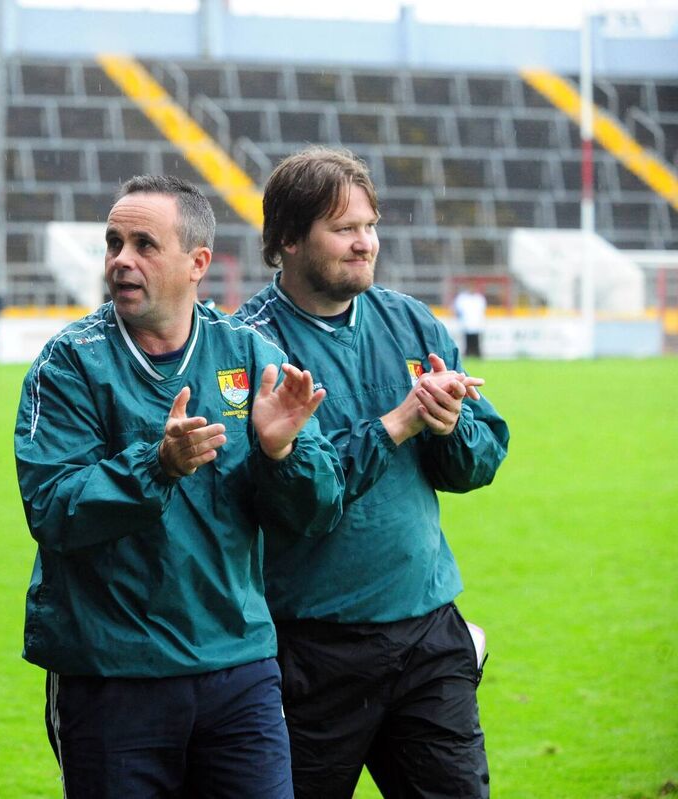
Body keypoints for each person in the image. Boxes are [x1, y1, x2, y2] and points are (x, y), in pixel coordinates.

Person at [14, 175, 345, 798]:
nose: (121, 260)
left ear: (197, 264)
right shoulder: (70, 363)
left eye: (144, 244)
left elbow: (318, 510)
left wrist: (282, 452)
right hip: (115, 672)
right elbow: (52, 508)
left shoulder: (250, 354)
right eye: (114, 243)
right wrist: (156, 466)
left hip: (237, 667)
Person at [235, 146, 510, 799]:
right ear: (289, 240)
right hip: (307, 646)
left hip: (426, 630)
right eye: (345, 228)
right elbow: (305, 502)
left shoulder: (412, 321)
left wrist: (449, 426)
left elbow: (483, 457)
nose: (367, 244)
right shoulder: (248, 345)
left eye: (370, 225)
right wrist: (398, 423)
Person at [453, 286, 488, 358]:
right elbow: (458, 309)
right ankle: (468, 354)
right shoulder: (462, 298)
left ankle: (477, 354)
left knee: (476, 341)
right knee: (467, 341)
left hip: (477, 323)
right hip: (466, 323)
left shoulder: (479, 298)